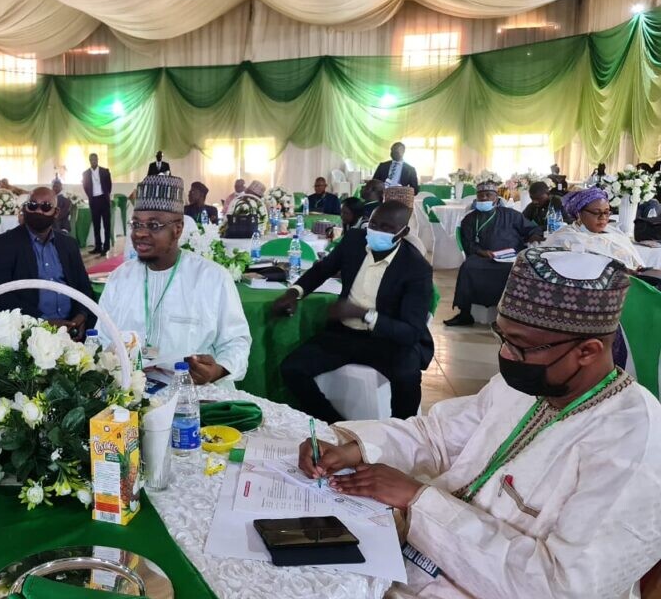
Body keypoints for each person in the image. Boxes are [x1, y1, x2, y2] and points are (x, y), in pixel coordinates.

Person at [297, 248, 661, 599]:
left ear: (587, 351)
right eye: (502, 336)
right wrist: (355, 448)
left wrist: (419, 501)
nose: (504, 355)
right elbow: (437, 437)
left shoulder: (635, 443)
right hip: (423, 562)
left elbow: (558, 593)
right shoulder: (526, 383)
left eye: (519, 345)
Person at [273, 202, 433, 421]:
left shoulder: (416, 268)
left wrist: (363, 314)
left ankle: (401, 437)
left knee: (408, 380)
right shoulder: (354, 241)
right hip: (345, 334)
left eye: (386, 228)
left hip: (389, 340)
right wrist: (294, 292)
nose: (376, 231)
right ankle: (336, 426)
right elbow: (323, 269)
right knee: (293, 368)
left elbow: (411, 332)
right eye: (373, 224)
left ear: (402, 232)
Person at [100, 175, 251, 390]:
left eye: (153, 225)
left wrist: (217, 370)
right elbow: (102, 338)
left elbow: (236, 341)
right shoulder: (119, 278)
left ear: (178, 229)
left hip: (195, 395)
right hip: (130, 393)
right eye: (136, 224)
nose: (140, 233)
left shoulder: (212, 278)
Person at [0, 187, 95, 337]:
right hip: (24, 331)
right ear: (25, 209)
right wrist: (43, 322)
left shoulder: (68, 244)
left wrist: (81, 317)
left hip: (71, 327)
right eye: (32, 205)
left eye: (45, 207)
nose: (38, 211)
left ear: (56, 213)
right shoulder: (3, 244)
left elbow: (84, 287)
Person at [444, 181, 543, 327]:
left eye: (488, 195)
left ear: (496, 198)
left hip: (509, 258)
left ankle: (507, 316)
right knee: (467, 267)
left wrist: (534, 236)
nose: (484, 198)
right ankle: (465, 313)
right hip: (482, 257)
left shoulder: (511, 215)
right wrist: (482, 252)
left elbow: (532, 229)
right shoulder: (470, 219)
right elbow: (468, 242)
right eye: (480, 195)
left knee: (515, 270)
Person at [546, 187, 645, 270]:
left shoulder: (614, 232)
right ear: (579, 214)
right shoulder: (565, 237)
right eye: (596, 212)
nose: (603, 217)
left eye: (606, 212)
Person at [82, 153, 113, 255]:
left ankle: (106, 247)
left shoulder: (105, 171)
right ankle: (98, 247)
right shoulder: (85, 173)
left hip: (104, 200)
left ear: (98, 160)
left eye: (95, 159)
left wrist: (105, 195)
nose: (93, 161)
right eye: (91, 159)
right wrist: (91, 196)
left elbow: (109, 186)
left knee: (106, 225)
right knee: (96, 225)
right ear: (89, 160)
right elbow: (85, 187)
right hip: (94, 201)